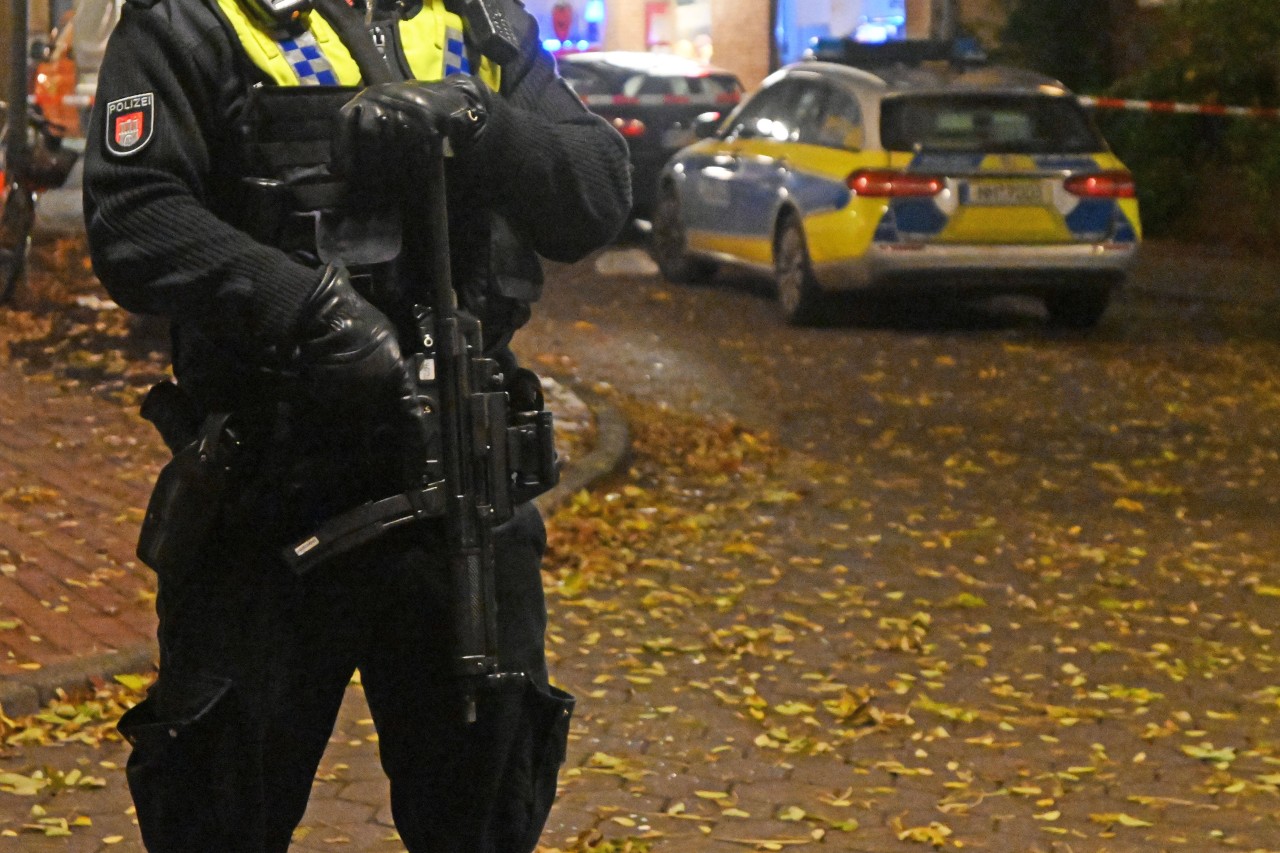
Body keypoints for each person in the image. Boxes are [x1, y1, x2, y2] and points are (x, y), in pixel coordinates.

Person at [81, 0, 631, 848]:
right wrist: (310, 311)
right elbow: (133, 214)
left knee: (486, 812)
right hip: (271, 498)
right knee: (218, 810)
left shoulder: (482, 23)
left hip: (463, 497)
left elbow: (596, 190)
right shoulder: (198, 19)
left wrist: (482, 125)